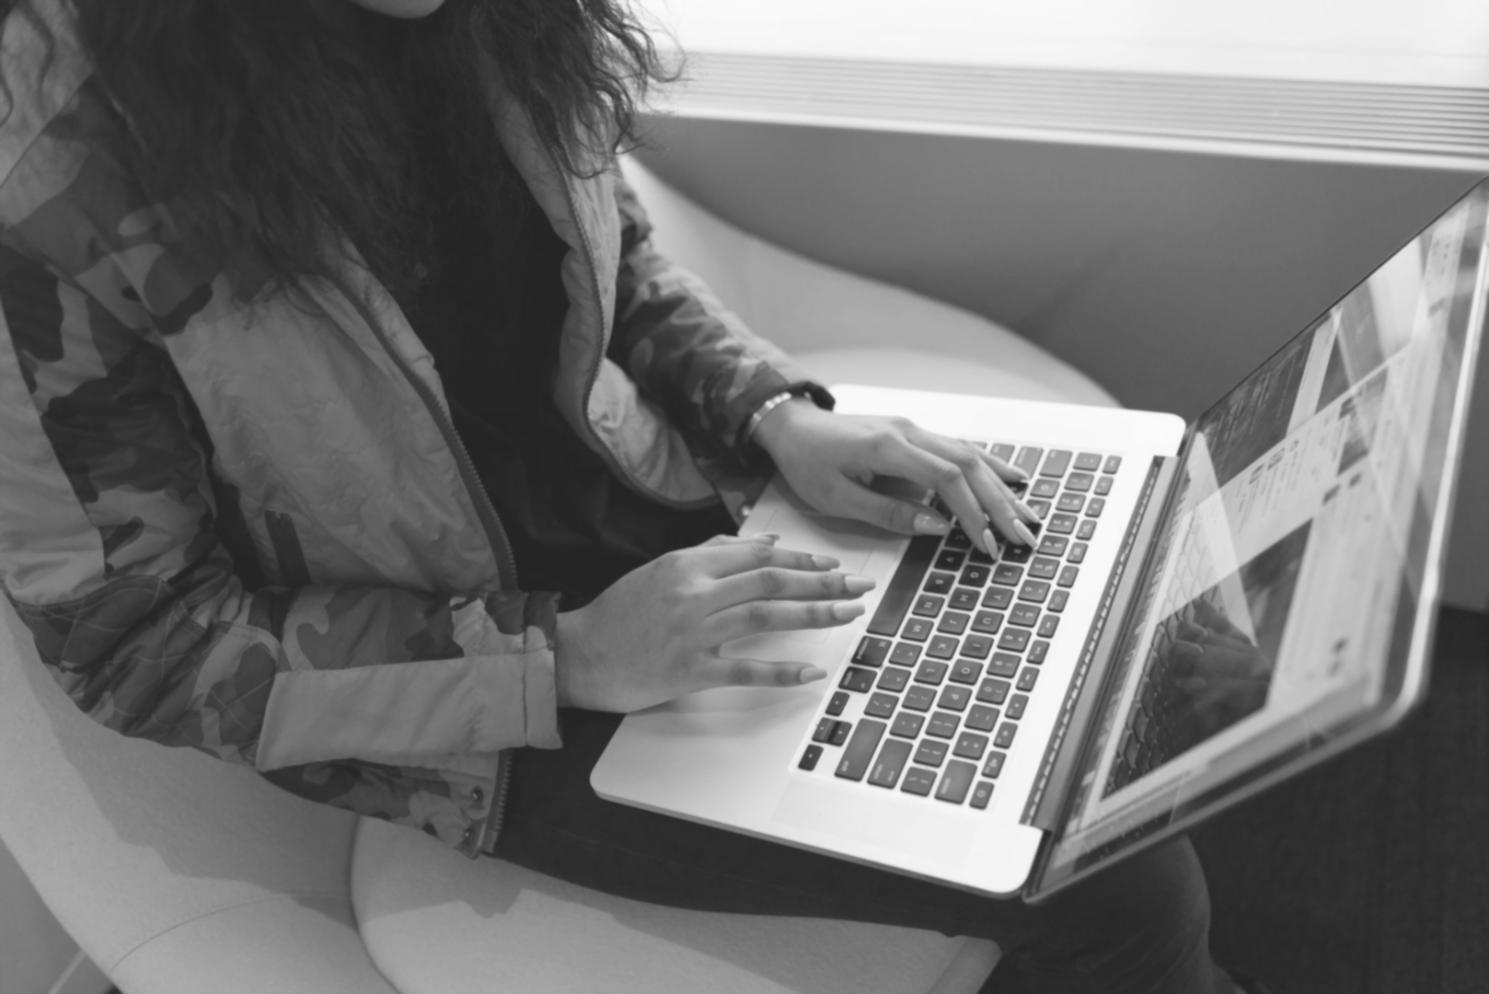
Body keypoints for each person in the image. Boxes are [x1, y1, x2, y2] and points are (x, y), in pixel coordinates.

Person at [0, 1, 1259, 991]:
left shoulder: (507, 23)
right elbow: (137, 641)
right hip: (462, 696)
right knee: (1116, 881)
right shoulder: (50, 179)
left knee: (1172, 653)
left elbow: (611, 262)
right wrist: (564, 656)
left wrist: (770, 414)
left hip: (656, 518)